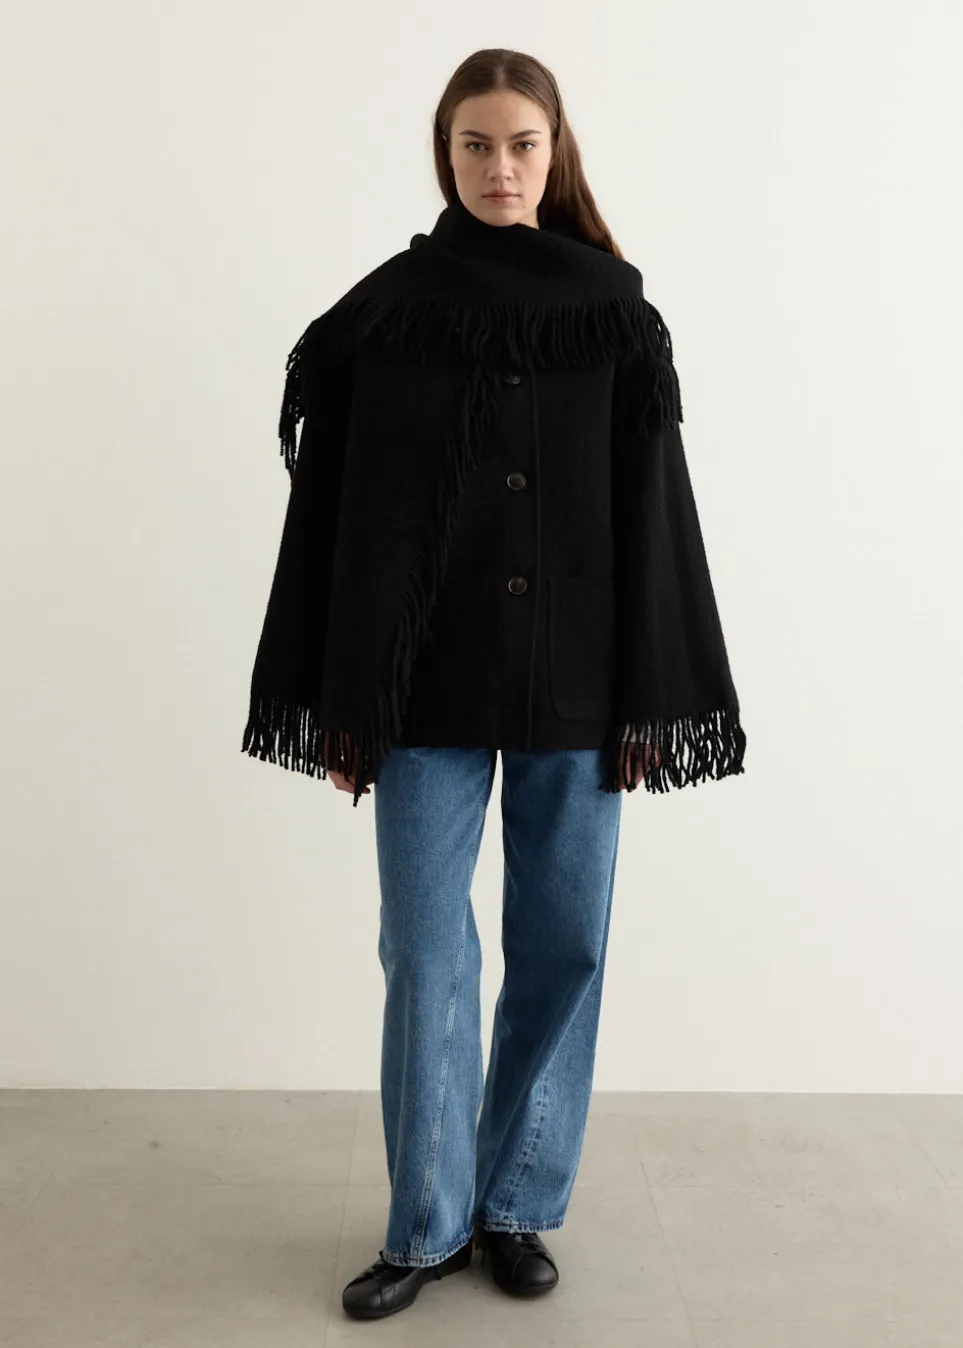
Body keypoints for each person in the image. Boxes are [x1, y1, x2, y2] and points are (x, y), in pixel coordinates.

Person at [241, 48, 746, 1321]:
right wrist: (342, 702)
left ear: (554, 151)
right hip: (424, 688)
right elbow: (340, 525)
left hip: (579, 685)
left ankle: (515, 1203)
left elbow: (655, 517)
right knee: (425, 950)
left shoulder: (612, 313)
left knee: (565, 943)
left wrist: (654, 699)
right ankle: (426, 1224)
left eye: (523, 144)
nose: (500, 168)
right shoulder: (389, 314)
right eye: (476, 144)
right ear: (445, 153)